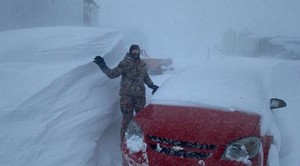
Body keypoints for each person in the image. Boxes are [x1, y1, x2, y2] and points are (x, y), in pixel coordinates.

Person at [93, 44, 159, 141]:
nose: (136, 54)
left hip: (140, 97)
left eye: (137, 52)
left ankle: (140, 139)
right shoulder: (125, 63)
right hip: (127, 97)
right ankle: (124, 141)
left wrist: (151, 85)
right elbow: (112, 74)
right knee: (127, 119)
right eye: (134, 51)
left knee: (141, 118)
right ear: (130, 51)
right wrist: (103, 66)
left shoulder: (142, 64)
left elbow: (145, 77)